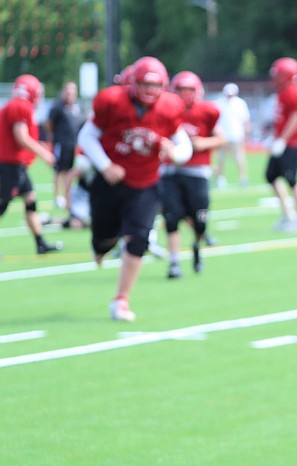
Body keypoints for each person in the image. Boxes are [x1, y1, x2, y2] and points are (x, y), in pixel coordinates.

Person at [76, 56, 191, 321]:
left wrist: (174, 152)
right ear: (132, 83)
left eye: (155, 84)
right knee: (104, 238)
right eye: (144, 84)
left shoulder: (170, 107)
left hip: (145, 184)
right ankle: (102, 246)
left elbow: (184, 145)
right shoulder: (112, 102)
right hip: (110, 182)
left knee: (138, 239)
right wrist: (105, 166)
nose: (150, 90)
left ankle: (121, 300)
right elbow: (87, 135)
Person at [160, 71, 224, 278]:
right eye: (180, 90)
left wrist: (203, 143)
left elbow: (221, 137)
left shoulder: (208, 111)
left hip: (197, 172)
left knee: (199, 221)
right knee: (171, 216)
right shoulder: (166, 111)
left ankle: (197, 244)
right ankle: (174, 262)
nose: (185, 94)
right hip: (170, 171)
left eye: (189, 90)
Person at [0, 74, 63, 255]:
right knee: (2, 204)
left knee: (30, 200)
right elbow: (21, 137)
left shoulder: (16, 105)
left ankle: (40, 242)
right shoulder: (20, 105)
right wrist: (44, 153)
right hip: (9, 165)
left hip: (15, 165)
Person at [267, 57, 297, 233]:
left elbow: (296, 117)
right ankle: (288, 215)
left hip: (293, 143)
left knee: (292, 179)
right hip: (283, 141)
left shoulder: (296, 91)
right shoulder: (283, 92)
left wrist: (282, 139)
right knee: (271, 175)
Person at [45, 81, 84, 213]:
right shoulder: (58, 107)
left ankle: (68, 196)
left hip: (73, 145)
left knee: (69, 171)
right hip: (61, 144)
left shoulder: (76, 108)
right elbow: (49, 124)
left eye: (72, 92)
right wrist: (52, 138)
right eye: (67, 92)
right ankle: (57, 196)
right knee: (59, 170)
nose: (70, 95)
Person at [213, 82, 251, 189]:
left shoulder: (240, 103)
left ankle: (243, 178)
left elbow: (245, 120)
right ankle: (220, 178)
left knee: (239, 157)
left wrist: (246, 134)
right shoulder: (218, 103)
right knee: (221, 158)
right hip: (222, 136)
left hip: (236, 135)